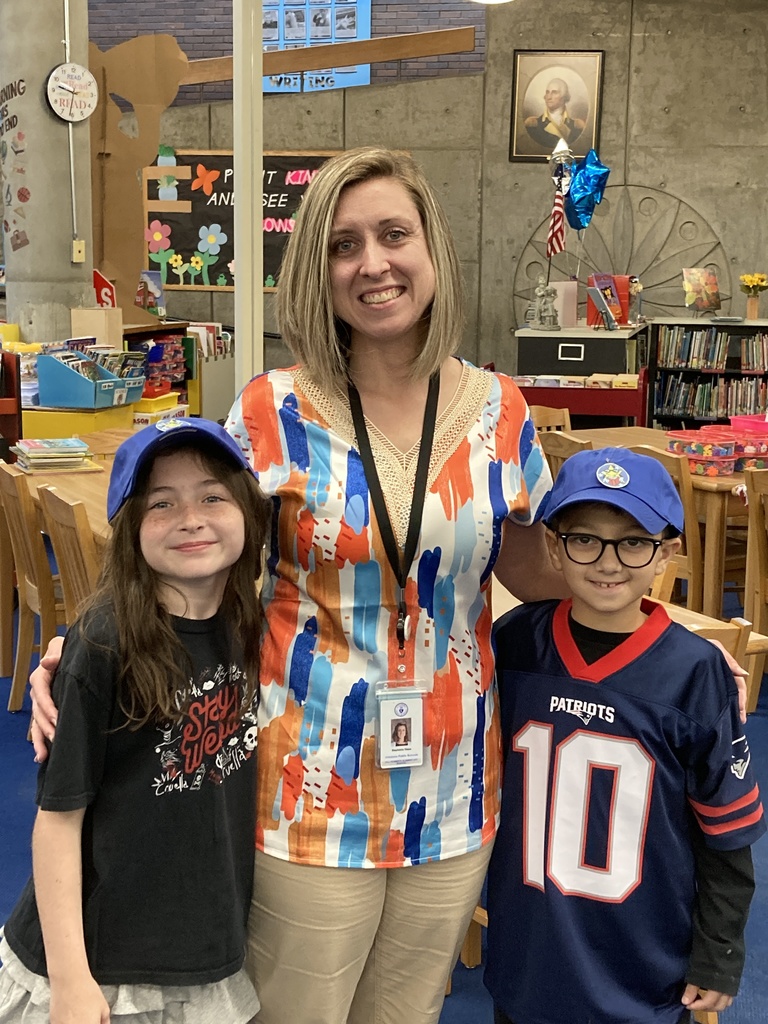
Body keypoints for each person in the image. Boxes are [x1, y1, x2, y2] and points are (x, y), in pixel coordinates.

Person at [27, 148, 748, 1024]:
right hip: (307, 787)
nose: (372, 263)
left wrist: (675, 645)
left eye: (393, 234)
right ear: (317, 273)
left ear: (432, 250)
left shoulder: (499, 411)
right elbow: (187, 547)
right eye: (343, 244)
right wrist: (79, 645)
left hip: (456, 793)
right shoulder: (270, 411)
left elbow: (548, 573)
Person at [1, 419, 270, 1024]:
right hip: (107, 962)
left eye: (212, 496)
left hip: (201, 946)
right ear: (131, 532)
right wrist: (72, 979)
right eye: (162, 504)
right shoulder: (103, 643)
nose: (191, 518)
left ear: (248, 513)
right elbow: (57, 823)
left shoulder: (253, 625)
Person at [485, 447, 766, 1024]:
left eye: (634, 541)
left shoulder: (693, 672)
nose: (608, 561)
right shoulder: (514, 644)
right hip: (529, 961)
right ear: (553, 544)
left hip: (642, 969)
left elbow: (727, 834)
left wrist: (719, 954)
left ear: (667, 551)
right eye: (585, 538)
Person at [524, 76, 586, 150]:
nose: (549, 97)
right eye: (547, 92)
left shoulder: (577, 127)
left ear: (564, 96)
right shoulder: (533, 125)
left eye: (554, 92)